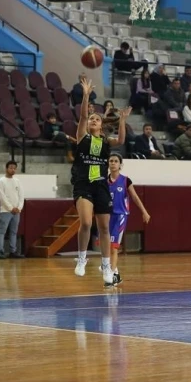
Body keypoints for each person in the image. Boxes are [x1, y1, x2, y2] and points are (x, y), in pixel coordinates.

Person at [71, 76, 130, 285]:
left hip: (101, 185)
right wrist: (86, 95)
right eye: (92, 119)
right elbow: (82, 116)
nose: (93, 120)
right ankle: (81, 259)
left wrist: (122, 120)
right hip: (83, 184)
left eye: (97, 119)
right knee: (86, 222)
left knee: (104, 228)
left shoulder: (105, 142)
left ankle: (106, 266)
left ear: (102, 124)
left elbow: (122, 140)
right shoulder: (83, 137)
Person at [105, 154, 150, 286]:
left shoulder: (126, 180)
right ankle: (116, 274)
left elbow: (135, 197)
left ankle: (111, 276)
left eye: (116, 161)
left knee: (113, 248)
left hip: (120, 216)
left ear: (120, 165)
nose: (113, 163)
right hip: (107, 217)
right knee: (107, 248)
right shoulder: (103, 181)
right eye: (111, 161)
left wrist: (144, 211)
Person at [0, 161, 25, 259]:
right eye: (11, 168)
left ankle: (13, 251)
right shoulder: (1, 181)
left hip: (16, 212)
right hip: (5, 211)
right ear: (6, 168)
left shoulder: (17, 181)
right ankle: (0, 251)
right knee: (2, 231)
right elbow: (2, 197)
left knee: (14, 232)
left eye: (14, 168)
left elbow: (21, 196)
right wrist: (11, 208)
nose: (13, 170)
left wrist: (19, 208)